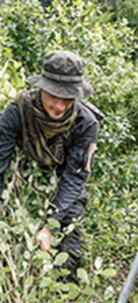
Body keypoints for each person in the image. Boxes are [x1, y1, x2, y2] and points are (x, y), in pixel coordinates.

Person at [0, 50, 100, 278]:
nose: (60, 105)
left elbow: (74, 179)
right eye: (55, 96)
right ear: (42, 88)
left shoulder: (86, 124)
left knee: (69, 257)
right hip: (21, 185)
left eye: (68, 98)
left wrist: (51, 226)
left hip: (64, 192)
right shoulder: (17, 112)